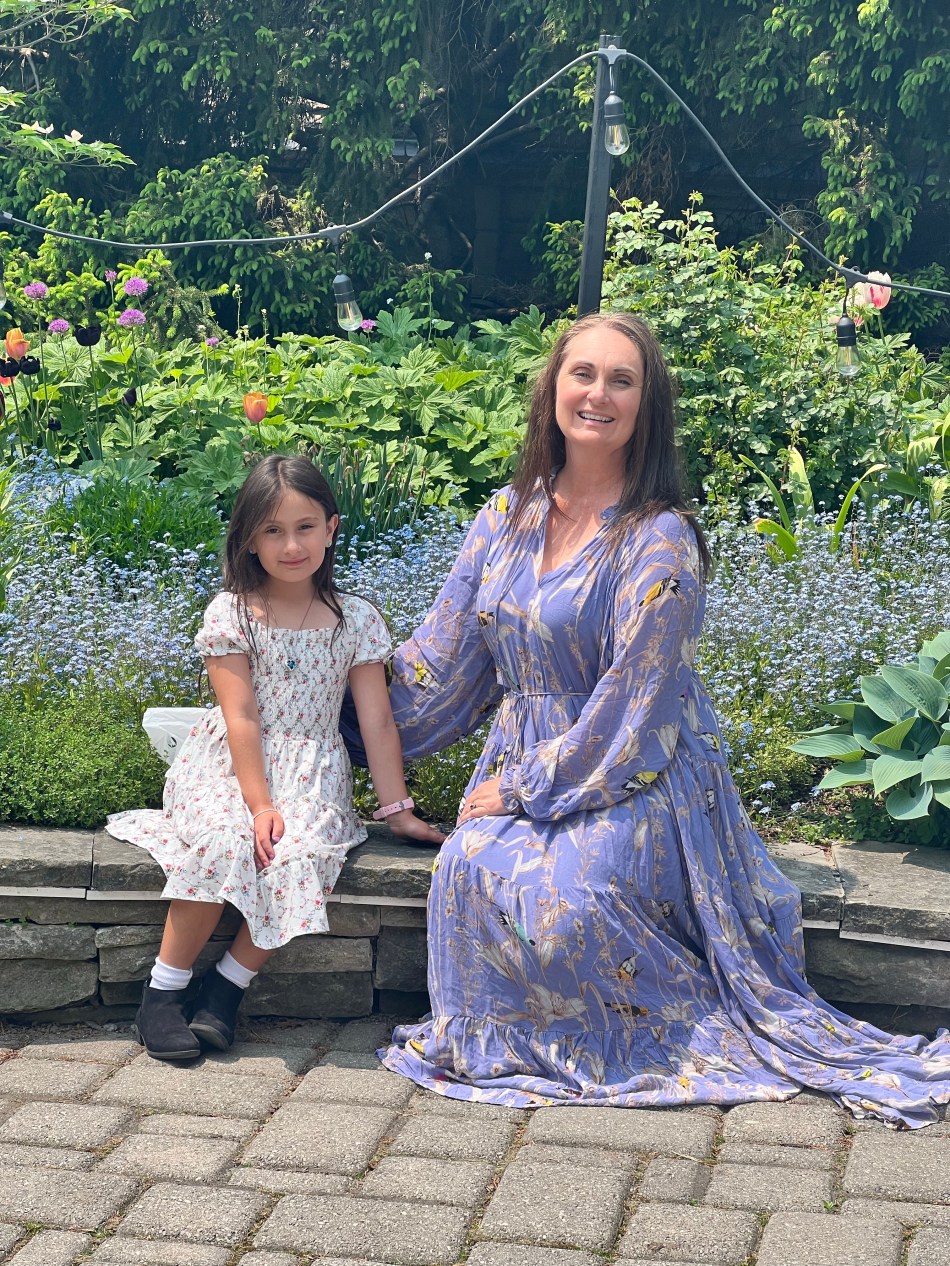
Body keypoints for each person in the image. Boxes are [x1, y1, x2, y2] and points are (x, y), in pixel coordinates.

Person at [367, 311, 950, 1128]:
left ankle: (640, 1042)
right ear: (553, 388)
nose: (597, 394)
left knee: (574, 897)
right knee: (468, 865)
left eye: (622, 380)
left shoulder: (660, 539)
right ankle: (507, 1043)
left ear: (647, 405)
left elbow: (636, 707)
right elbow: (442, 660)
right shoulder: (505, 516)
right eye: (582, 374)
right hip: (531, 757)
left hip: (638, 769)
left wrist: (524, 786)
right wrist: (327, 701)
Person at [107, 454, 443, 1062]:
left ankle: (226, 987)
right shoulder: (232, 613)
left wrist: (397, 811)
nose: (292, 546)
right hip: (231, 766)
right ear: (249, 539)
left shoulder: (355, 620)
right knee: (227, 841)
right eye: (273, 530)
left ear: (331, 528)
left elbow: (376, 721)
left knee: (299, 853)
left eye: (305, 527)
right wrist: (259, 804)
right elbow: (242, 717)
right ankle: (163, 991)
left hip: (313, 773)